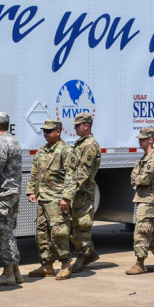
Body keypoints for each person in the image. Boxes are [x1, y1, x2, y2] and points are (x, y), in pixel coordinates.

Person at [26, 119, 76, 280]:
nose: (45, 134)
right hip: (43, 198)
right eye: (44, 131)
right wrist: (31, 191)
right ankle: (46, 265)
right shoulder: (42, 150)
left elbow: (71, 176)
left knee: (59, 232)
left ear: (58, 131)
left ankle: (66, 265)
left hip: (57, 199)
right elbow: (35, 172)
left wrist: (66, 198)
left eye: (49, 131)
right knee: (41, 233)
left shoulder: (66, 151)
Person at [0, 112, 24, 286]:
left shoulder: (2, 143)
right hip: (13, 193)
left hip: (3, 194)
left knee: (2, 233)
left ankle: (8, 273)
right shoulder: (14, 140)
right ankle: (15, 272)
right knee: (8, 231)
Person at [127, 127, 154, 275]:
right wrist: (138, 179)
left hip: (149, 200)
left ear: (151, 139)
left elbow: (144, 179)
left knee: (141, 231)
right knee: (149, 230)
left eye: (143, 138)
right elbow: (133, 176)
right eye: (139, 138)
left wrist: (138, 179)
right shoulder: (143, 159)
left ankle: (140, 263)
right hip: (142, 199)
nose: (140, 141)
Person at [68, 112, 101, 273]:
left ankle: (82, 257)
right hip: (78, 191)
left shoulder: (90, 145)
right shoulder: (81, 143)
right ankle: (90, 251)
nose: (74, 128)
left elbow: (83, 172)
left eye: (77, 125)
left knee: (81, 225)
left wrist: (69, 190)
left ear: (86, 125)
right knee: (73, 224)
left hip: (83, 192)